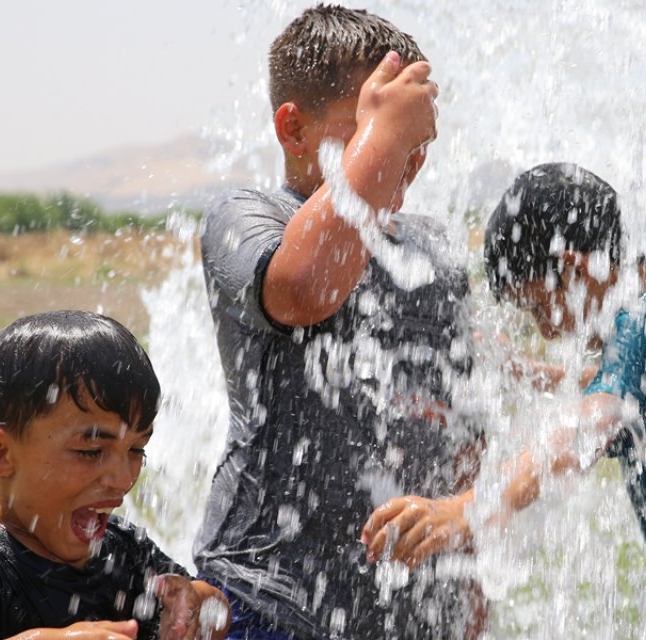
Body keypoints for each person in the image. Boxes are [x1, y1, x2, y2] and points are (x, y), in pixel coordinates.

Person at [363, 163, 646, 640]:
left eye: (539, 307)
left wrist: (469, 509)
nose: (546, 329)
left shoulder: (643, 324)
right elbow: (618, 388)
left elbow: (591, 422)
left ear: (576, 268)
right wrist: (529, 372)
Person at [195, 4, 480, 638]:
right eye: (372, 130)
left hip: (409, 608)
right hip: (268, 595)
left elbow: (463, 423)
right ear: (293, 131)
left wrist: (467, 567)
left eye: (414, 140)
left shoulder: (430, 251)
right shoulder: (249, 216)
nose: (403, 157)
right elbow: (303, 288)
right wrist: (384, 135)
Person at [0, 310, 230, 640]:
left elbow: (215, 612)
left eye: (136, 450)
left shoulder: (124, 553)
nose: (122, 479)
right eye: (91, 451)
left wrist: (198, 604)